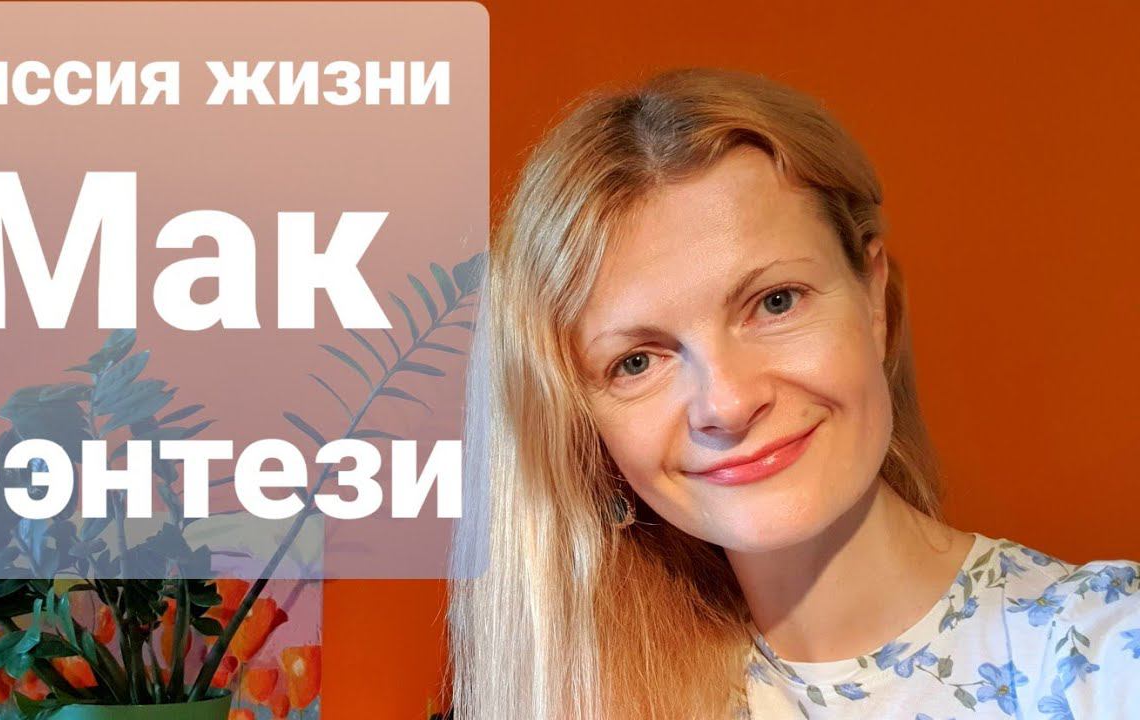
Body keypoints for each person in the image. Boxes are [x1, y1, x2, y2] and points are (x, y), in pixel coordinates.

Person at [447, 67, 1140, 719]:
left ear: (873, 298)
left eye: (775, 301)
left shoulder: (1104, 655)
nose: (727, 403)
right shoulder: (572, 694)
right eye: (636, 362)